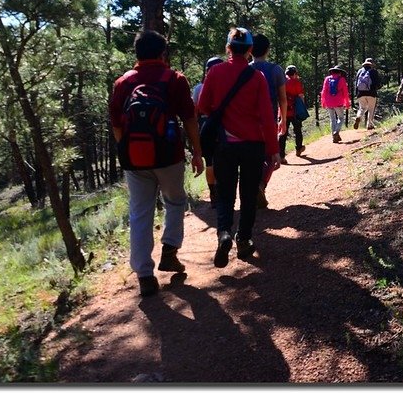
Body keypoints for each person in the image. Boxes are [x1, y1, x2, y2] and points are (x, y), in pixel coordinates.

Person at [109, 30, 204, 298]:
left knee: (140, 212)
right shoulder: (174, 79)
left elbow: (117, 124)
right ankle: (170, 251)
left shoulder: (123, 83)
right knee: (174, 201)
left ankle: (144, 275)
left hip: (134, 158)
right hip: (168, 155)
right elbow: (190, 119)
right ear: (163, 53)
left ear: (136, 53)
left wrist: (127, 150)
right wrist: (197, 152)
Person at [197, 27, 281, 268]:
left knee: (224, 193)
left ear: (228, 48)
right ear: (250, 50)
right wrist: (273, 149)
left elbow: (203, 107)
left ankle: (223, 233)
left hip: (224, 145)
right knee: (248, 194)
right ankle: (243, 240)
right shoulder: (257, 77)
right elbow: (267, 116)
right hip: (253, 146)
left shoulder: (215, 72)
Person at [249, 33, 287, 209]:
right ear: (268, 49)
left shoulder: (246, 69)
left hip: (247, 120)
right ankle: (262, 184)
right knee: (272, 155)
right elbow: (282, 99)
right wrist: (283, 119)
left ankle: (253, 186)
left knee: (252, 155)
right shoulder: (276, 70)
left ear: (250, 50)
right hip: (269, 118)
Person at [193, 56, 224, 206]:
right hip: (221, 126)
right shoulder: (225, 86)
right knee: (223, 160)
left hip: (204, 126)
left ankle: (213, 193)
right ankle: (221, 191)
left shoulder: (198, 88)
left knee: (209, 162)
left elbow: (194, 112)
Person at [280, 65, 305, 162]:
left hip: (283, 111)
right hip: (294, 111)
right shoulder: (296, 82)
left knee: (282, 133)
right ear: (294, 73)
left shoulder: (281, 81)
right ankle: (299, 148)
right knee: (297, 130)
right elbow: (301, 96)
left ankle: (281, 156)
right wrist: (302, 108)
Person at [320, 65, 350, 143]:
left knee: (332, 119)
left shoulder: (327, 79)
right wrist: (347, 103)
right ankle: (336, 132)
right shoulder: (342, 79)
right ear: (339, 72)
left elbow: (323, 91)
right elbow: (345, 92)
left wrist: (323, 102)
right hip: (338, 102)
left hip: (329, 102)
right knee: (341, 118)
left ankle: (334, 137)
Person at [354, 58, 382, 130]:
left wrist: (356, 93)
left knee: (362, 108)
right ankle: (369, 125)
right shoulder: (374, 71)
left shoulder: (359, 71)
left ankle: (358, 117)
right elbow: (377, 83)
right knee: (371, 109)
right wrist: (377, 88)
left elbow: (356, 83)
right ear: (371, 64)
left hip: (360, 93)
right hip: (371, 93)